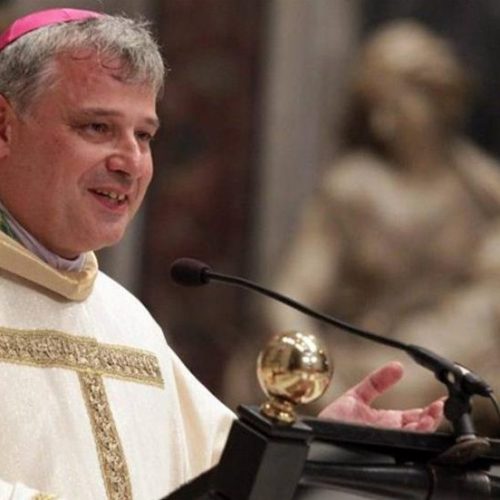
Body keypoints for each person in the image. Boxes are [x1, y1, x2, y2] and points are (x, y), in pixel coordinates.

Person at [0, 9, 442, 500]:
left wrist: (318, 451)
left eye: (144, 136)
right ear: (4, 127)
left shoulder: (126, 320)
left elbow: (217, 479)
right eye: (97, 127)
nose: (130, 162)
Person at [262, 20, 500, 431]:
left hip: (456, 363)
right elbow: (287, 298)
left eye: (396, 103)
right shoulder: (353, 188)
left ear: (438, 99)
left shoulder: (479, 187)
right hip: (371, 369)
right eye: (374, 106)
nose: (381, 121)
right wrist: (310, 375)